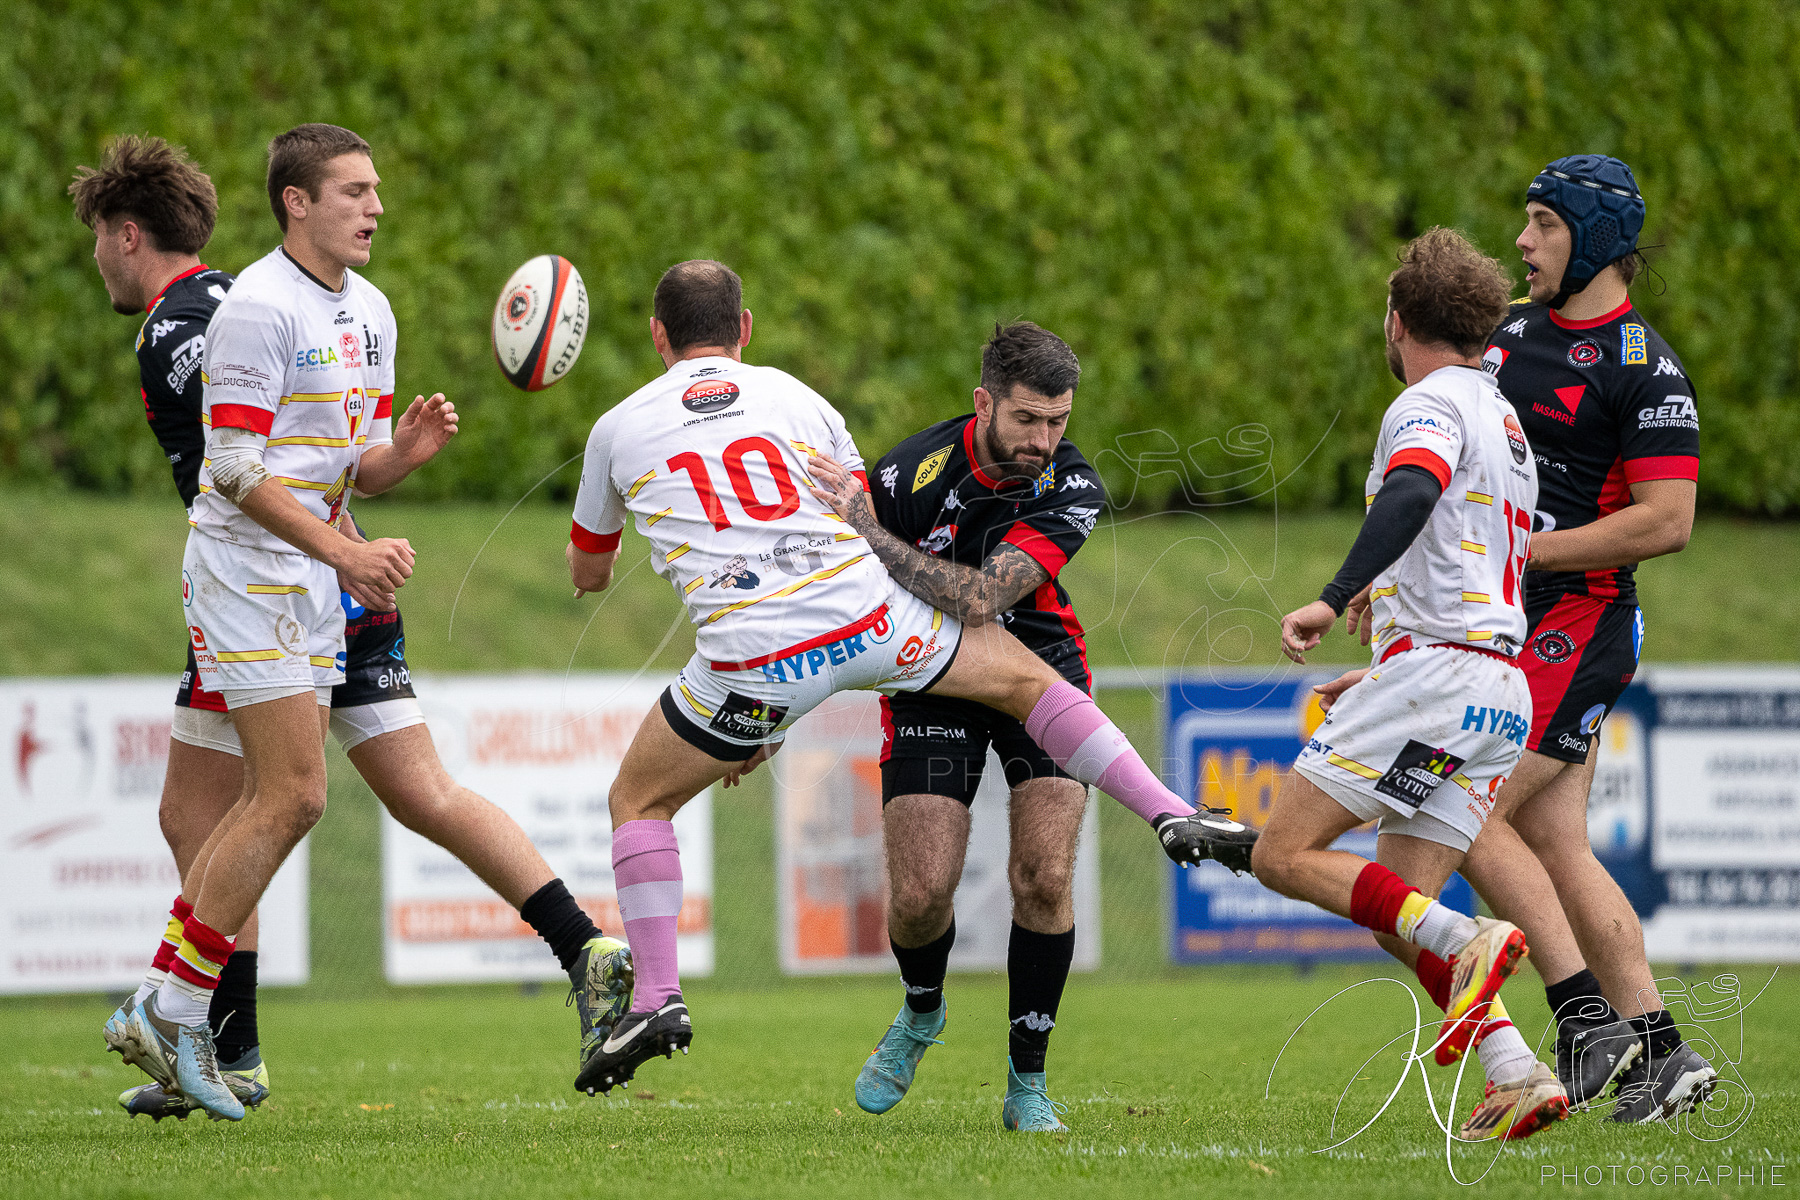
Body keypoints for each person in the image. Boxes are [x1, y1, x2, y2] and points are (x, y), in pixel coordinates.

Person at [566, 260, 1254, 1096]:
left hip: (751, 663)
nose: (1043, 435)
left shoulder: (614, 427)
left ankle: (658, 997)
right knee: (1028, 693)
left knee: (638, 802)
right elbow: (850, 510)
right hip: (876, 623)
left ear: (656, 336)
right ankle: (1171, 813)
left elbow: (589, 574)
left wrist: (766, 710)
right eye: (1029, 417)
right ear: (745, 330)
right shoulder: (800, 398)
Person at [75, 126, 628, 1122]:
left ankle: (186, 1017)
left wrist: (400, 457)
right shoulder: (249, 308)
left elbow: (343, 464)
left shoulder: (369, 311)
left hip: (317, 582)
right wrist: (348, 555)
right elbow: (235, 472)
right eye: (355, 192)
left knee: (284, 802)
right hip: (252, 578)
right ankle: (179, 1014)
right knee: (285, 799)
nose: (376, 208)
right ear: (296, 202)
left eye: (377, 190)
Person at [1369, 154, 1711, 1123]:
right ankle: (1659, 1052)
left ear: (1596, 240)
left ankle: (1579, 1017)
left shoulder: (1646, 369)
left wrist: (1531, 547)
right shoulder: (1507, 335)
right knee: (1557, 843)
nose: (1522, 242)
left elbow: (1668, 518)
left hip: (1581, 621)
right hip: (1501, 627)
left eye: (1542, 225)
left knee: (1442, 801)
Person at [1264, 227, 1566, 1143]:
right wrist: (1394, 637)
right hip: (1489, 692)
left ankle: (1470, 945)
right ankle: (1518, 1071)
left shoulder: (1427, 405)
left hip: (1440, 683)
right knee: (1407, 906)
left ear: (1398, 323)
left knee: (1283, 855)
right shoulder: (1506, 420)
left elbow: (1415, 490)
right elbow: (1469, 551)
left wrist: (1334, 596)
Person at [846, 322, 1105, 1132]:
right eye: (1028, 419)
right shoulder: (906, 470)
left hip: (1040, 667)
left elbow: (987, 599)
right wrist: (769, 721)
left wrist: (870, 533)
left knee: (1045, 878)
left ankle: (1027, 1083)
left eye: (1059, 421)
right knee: (921, 893)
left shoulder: (1074, 485)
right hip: (931, 672)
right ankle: (922, 1011)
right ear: (983, 402)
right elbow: (834, 594)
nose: (1045, 440)